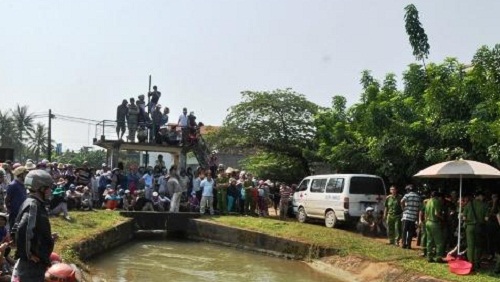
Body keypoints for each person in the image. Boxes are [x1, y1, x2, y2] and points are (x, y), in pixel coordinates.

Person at [13, 169, 57, 281]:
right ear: (41, 188)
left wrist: (47, 238)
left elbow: (29, 229)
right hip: (32, 265)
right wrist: (27, 254)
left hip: (36, 262)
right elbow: (23, 229)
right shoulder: (33, 205)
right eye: (48, 188)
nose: (50, 191)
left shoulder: (33, 203)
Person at [462, 191, 488, 271]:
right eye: (482, 196)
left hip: (469, 227)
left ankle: (470, 263)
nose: (483, 198)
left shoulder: (468, 204)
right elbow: (486, 219)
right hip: (479, 227)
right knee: (478, 246)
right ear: (479, 196)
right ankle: (477, 263)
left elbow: (464, 218)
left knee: (470, 246)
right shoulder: (485, 205)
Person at [425, 191, 445, 263]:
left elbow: (426, 214)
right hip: (434, 223)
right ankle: (438, 258)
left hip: (428, 222)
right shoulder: (436, 201)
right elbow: (436, 213)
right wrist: (442, 217)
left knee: (429, 241)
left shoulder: (428, 202)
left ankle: (429, 257)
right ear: (437, 196)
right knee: (439, 242)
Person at [401, 184, 421, 249]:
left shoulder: (407, 195)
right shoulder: (418, 197)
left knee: (404, 230)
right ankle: (409, 245)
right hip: (413, 217)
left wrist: (403, 208)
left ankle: (404, 244)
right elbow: (419, 207)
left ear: (408, 190)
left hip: (406, 216)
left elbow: (401, 201)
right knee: (410, 231)